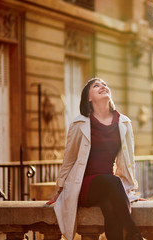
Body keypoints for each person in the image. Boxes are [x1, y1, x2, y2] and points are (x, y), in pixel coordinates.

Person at [46, 78, 143, 240]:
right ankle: (134, 234)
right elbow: (69, 159)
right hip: (83, 185)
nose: (103, 87)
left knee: (111, 208)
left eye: (105, 84)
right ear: (88, 98)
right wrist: (61, 188)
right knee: (112, 181)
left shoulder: (124, 123)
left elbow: (128, 160)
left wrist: (129, 191)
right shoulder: (80, 124)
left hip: (108, 187)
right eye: (96, 85)